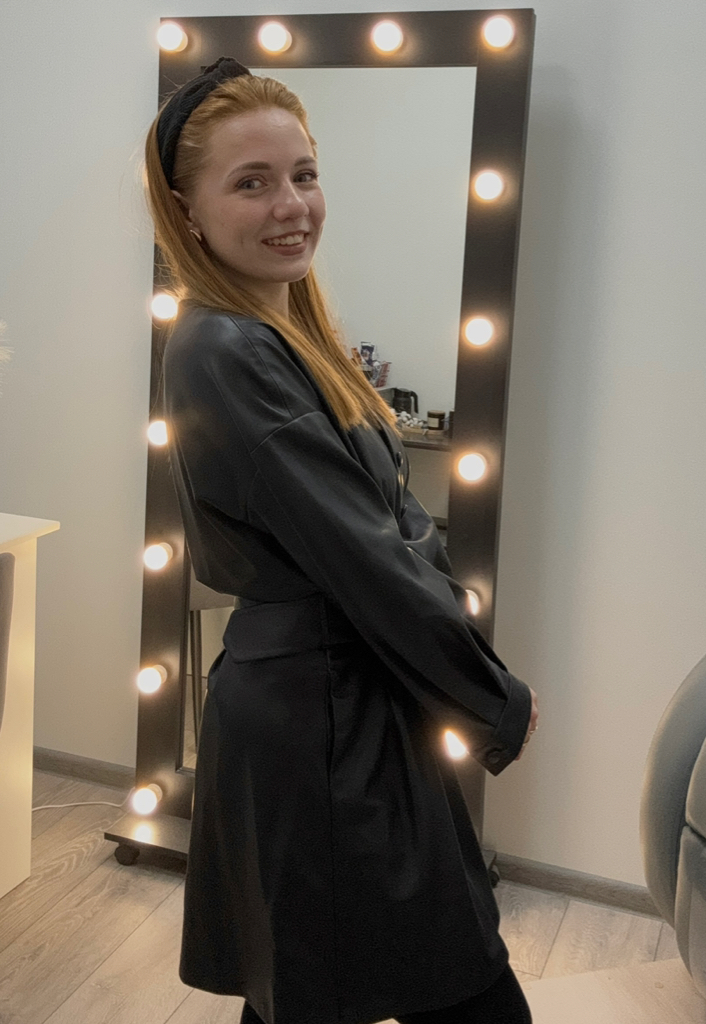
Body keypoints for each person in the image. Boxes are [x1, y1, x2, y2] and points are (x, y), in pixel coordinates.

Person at [143, 56, 540, 1024]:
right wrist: (493, 696)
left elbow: (391, 525)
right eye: (252, 182)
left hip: (341, 708)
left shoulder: (282, 334)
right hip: (316, 723)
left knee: (310, 986)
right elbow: (368, 557)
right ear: (187, 212)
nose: (292, 206)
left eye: (303, 174)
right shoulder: (228, 348)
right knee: (452, 994)